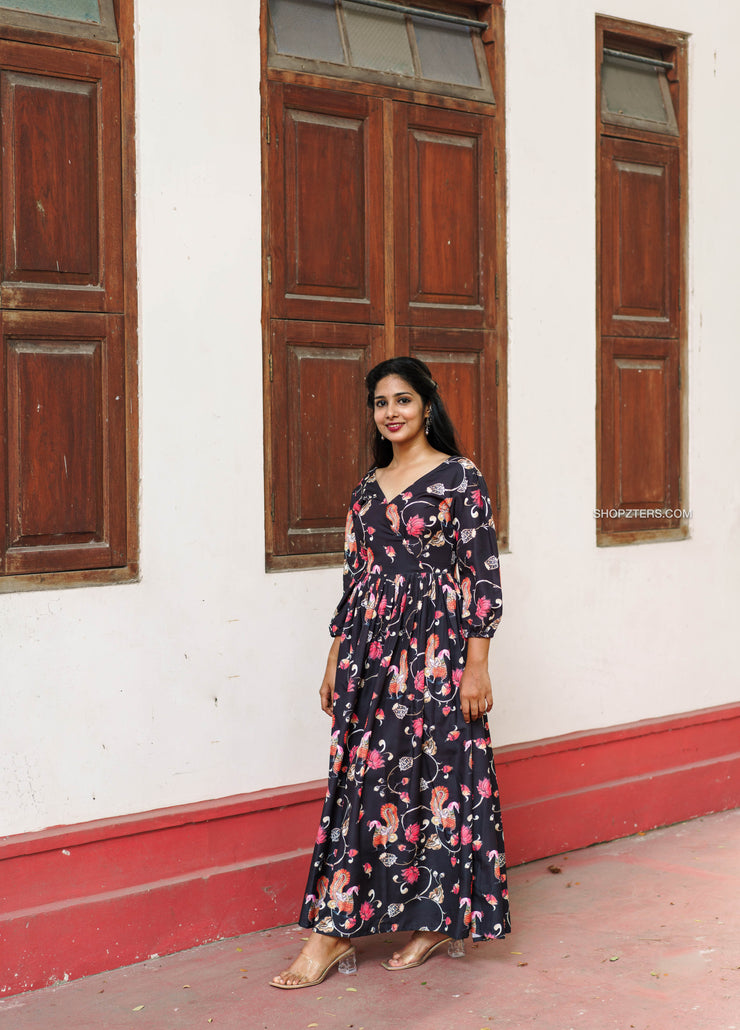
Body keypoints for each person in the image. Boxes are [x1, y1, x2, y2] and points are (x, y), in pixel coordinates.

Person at [271, 357, 509, 989]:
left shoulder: (460, 479)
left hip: (436, 653)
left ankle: (431, 920)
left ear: (426, 406)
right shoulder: (366, 488)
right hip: (370, 657)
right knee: (364, 779)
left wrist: (476, 668)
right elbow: (356, 582)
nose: (392, 412)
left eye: (403, 400)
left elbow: (481, 573)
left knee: (438, 779)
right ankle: (335, 928)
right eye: (381, 403)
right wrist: (333, 655)